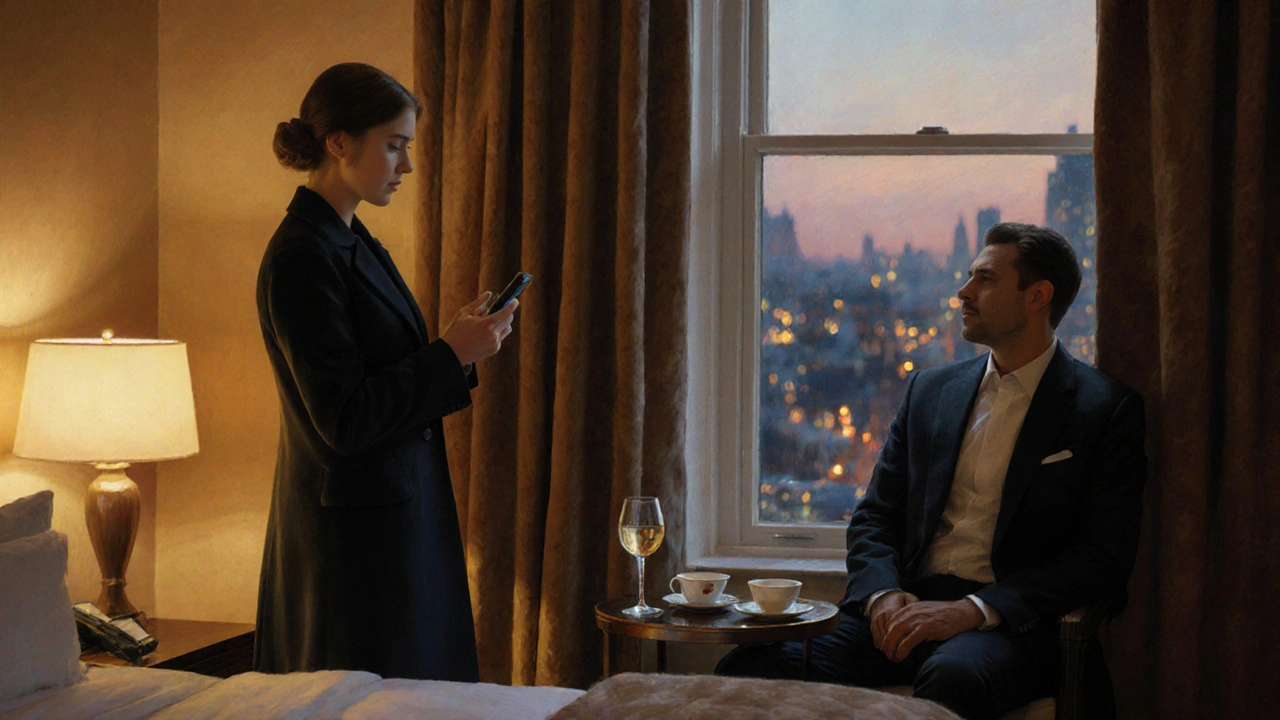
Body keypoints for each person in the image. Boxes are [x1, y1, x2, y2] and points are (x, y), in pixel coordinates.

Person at [717, 223, 1146, 720]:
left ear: (1038, 296)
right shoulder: (930, 391)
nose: (963, 292)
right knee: (751, 663)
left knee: (951, 681)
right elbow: (875, 516)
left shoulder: (1103, 410)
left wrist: (974, 610)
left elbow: (1102, 559)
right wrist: (881, 596)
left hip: (1004, 626)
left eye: (984, 279)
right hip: (903, 608)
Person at [253, 62, 517, 682]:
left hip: (393, 523)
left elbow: (385, 372)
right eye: (394, 145)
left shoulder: (351, 239)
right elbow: (344, 419)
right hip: (351, 548)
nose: (407, 165)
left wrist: (458, 343)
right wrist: (450, 354)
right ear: (339, 142)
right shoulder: (301, 256)